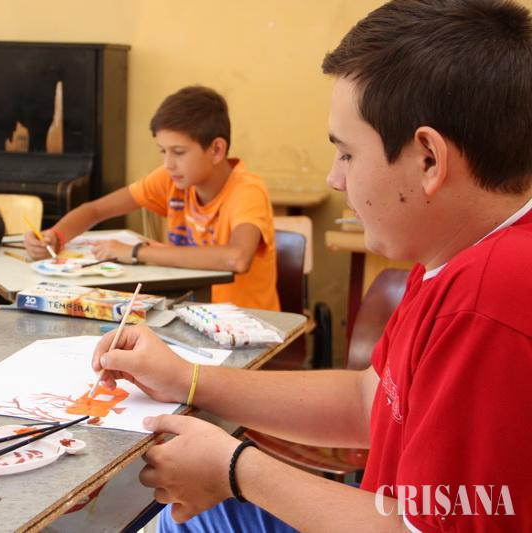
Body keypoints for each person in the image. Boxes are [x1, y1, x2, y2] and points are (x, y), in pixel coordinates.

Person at [90, 0, 532, 530]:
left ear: (429, 160)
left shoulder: (488, 300)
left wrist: (234, 469)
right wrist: (186, 380)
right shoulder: (452, 256)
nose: (334, 179)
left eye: (346, 154)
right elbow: (367, 400)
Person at [24, 86, 280, 311]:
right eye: (163, 151)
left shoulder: (247, 190)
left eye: (178, 152)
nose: (168, 164)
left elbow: (237, 258)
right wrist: (55, 236)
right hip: (191, 315)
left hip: (248, 327)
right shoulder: (172, 179)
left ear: (216, 149)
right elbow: (95, 210)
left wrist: (137, 252)